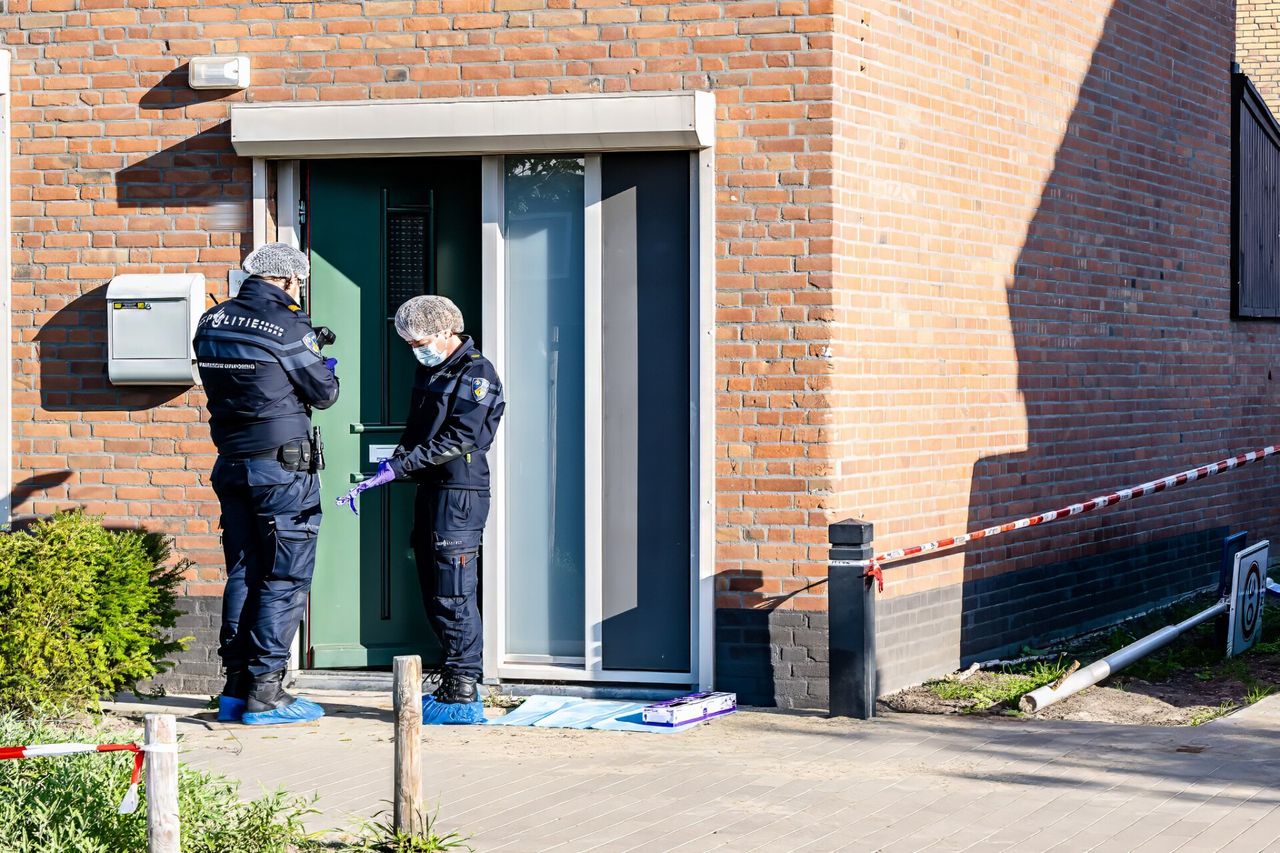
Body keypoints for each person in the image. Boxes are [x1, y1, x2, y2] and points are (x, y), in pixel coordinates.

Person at [338, 295, 504, 724]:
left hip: (460, 494)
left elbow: (461, 437)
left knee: (453, 590)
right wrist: (395, 462)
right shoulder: (432, 370)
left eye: (421, 342)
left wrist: (403, 465)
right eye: (410, 344)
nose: (416, 350)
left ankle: (463, 687)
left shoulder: (476, 374)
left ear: (447, 331)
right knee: (433, 585)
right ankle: (451, 679)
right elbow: (418, 431)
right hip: (432, 489)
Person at [194, 243, 339, 725]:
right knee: (284, 575)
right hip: (281, 471)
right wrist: (324, 363)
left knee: (243, 571)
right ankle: (267, 693)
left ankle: (235, 690)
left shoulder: (211, 321)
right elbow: (325, 393)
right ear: (290, 280)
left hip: (231, 464)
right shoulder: (289, 325)